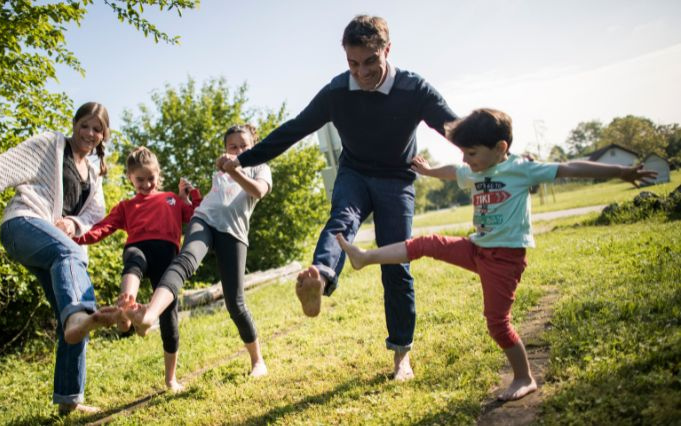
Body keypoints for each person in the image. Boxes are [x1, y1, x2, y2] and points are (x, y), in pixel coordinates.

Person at [336, 107, 658, 400]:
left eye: (472, 153)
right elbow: (454, 171)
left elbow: (570, 167)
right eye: (464, 153)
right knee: (425, 243)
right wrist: (431, 171)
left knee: (497, 324)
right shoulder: (475, 170)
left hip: (505, 259)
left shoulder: (521, 170)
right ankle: (365, 257)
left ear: (501, 148)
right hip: (477, 248)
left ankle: (524, 377)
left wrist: (621, 171)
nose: (466, 160)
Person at [218, 15, 457, 380]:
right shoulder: (336, 92)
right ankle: (321, 276)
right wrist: (243, 159)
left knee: (396, 263)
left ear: (386, 51)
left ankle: (401, 357)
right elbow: (293, 129)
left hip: (397, 179)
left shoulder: (414, 89)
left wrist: (491, 147)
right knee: (342, 218)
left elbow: (453, 127)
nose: (361, 72)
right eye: (352, 63)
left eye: (370, 62)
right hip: (355, 172)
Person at [0, 102, 119, 415]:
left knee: (70, 312)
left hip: (55, 246)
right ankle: (82, 316)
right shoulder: (49, 145)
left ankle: (69, 399)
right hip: (23, 225)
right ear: (74, 125)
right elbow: (4, 164)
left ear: (104, 135)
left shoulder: (95, 171)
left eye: (97, 129)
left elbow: (95, 213)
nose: (90, 133)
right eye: (85, 125)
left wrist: (73, 223)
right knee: (73, 268)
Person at [129, 124, 272, 378]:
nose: (238, 150)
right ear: (226, 149)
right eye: (232, 147)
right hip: (203, 219)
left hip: (234, 233)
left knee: (235, 303)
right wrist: (188, 198)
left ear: (254, 146)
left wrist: (235, 169)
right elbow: (214, 199)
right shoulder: (221, 170)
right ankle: (150, 314)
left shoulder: (260, 167)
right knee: (185, 260)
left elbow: (258, 191)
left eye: (244, 146)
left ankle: (257, 360)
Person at [73, 146, 202, 391]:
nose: (146, 184)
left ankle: (170, 378)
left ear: (158, 175)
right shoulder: (125, 206)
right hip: (138, 247)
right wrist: (75, 237)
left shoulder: (171, 199)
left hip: (167, 258)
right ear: (130, 178)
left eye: (150, 178)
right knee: (133, 260)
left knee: (169, 317)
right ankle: (127, 305)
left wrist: (190, 194)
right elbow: (102, 229)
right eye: (139, 179)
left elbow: (197, 215)